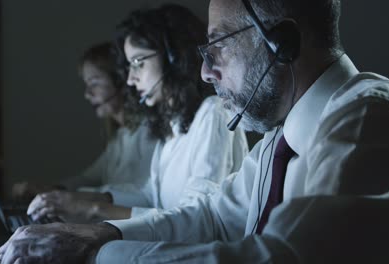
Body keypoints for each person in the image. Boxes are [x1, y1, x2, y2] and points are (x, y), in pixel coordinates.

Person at [0, 0, 389, 263]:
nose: (206, 72)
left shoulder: (370, 118)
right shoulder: (278, 141)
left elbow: (279, 258)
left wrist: (100, 256)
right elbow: (214, 217)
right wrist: (102, 234)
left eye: (218, 47)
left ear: (282, 44)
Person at [25, 4, 249, 224]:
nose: (131, 79)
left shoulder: (214, 113)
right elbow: (150, 195)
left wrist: (91, 209)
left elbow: (196, 217)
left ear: (173, 58)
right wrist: (77, 199)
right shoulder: (173, 122)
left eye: (138, 63)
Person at [11, 42, 158, 213]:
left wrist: (72, 198)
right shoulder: (120, 136)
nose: (87, 94)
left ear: (121, 81)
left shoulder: (148, 132)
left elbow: (140, 194)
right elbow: (89, 177)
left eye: (94, 83)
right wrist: (48, 190)